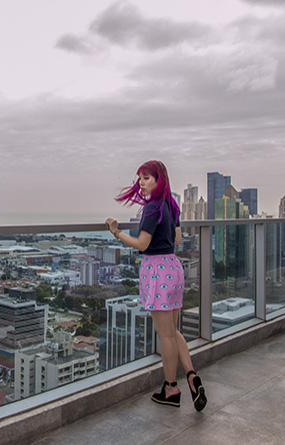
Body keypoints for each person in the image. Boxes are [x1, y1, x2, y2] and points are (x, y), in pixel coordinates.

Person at [105, 160, 207, 412]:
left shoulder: (152, 208)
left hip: (157, 271)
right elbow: (178, 238)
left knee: (165, 336)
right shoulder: (171, 205)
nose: (141, 182)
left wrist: (116, 232)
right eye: (140, 178)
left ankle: (171, 387)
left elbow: (141, 244)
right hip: (173, 267)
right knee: (173, 331)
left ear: (159, 180)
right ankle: (192, 375)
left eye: (147, 178)